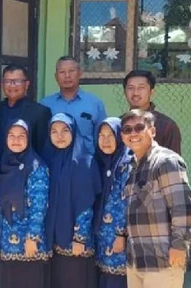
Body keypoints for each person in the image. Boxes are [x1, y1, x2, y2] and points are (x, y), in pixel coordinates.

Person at [121, 110, 191, 288]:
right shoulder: (132, 167)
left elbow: (181, 207)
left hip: (163, 261)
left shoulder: (166, 161)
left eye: (139, 128)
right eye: (127, 130)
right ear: (122, 136)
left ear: (152, 131)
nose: (133, 133)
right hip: (137, 261)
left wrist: (179, 245)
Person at [43, 113, 101, 288]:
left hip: (76, 244)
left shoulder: (84, 161)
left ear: (74, 132)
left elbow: (86, 203)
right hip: (54, 240)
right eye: (54, 131)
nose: (59, 136)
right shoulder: (49, 159)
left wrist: (80, 238)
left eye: (64, 131)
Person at [0, 119, 51, 288]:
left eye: (21, 136)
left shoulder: (36, 166)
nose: (16, 140)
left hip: (28, 244)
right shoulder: (3, 164)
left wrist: (32, 238)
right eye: (11, 136)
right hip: (6, 242)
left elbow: (39, 205)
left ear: (29, 139)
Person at [94, 118, 133, 288]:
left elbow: (126, 202)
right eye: (101, 135)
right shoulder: (99, 162)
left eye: (110, 135)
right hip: (101, 236)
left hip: (118, 238)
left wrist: (120, 235)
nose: (105, 140)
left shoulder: (127, 164)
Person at [40, 56, 107, 154]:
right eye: (62, 72)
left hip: (86, 164)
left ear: (80, 73)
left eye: (71, 71)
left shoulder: (94, 103)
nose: (67, 75)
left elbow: (102, 138)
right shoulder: (45, 105)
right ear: (56, 77)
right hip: (53, 164)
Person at [0, 65, 51, 156]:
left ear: (26, 84)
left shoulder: (40, 112)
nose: (12, 85)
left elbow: (42, 149)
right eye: (7, 81)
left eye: (17, 81)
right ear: (2, 84)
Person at [122, 70, 181, 154]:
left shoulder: (166, 126)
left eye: (141, 88)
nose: (135, 93)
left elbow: (174, 163)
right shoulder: (119, 123)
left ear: (151, 92)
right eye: (131, 88)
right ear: (124, 92)